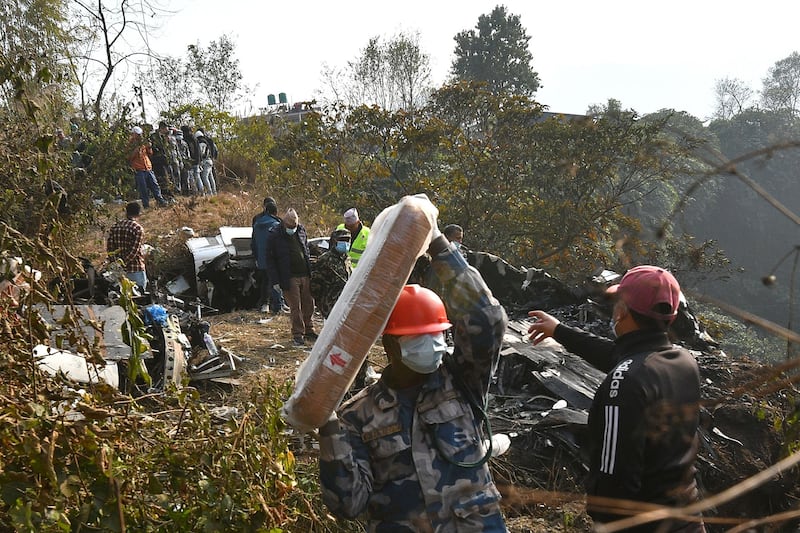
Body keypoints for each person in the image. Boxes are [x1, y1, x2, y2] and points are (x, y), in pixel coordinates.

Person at [318, 213, 509, 531]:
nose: (434, 345)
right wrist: (327, 429)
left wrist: (437, 245)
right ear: (390, 344)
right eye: (421, 338)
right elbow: (348, 505)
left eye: (438, 336)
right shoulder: (356, 416)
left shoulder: (462, 381)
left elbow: (487, 318)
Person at [527, 266, 705, 532]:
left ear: (621, 311)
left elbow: (613, 479)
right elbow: (621, 356)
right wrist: (560, 331)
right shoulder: (683, 362)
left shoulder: (624, 384)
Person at [265, 208, 316, 346]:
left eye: (294, 226)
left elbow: (305, 249)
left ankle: (309, 328)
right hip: (289, 276)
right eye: (289, 227)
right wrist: (275, 280)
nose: (292, 229)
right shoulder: (275, 235)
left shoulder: (301, 230)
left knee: (309, 304)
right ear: (284, 223)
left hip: (305, 274)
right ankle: (298, 333)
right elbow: (270, 259)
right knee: (295, 307)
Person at [309, 228, 352, 317]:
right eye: (342, 240)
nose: (345, 243)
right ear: (334, 241)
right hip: (330, 305)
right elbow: (315, 286)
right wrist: (322, 302)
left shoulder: (347, 259)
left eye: (347, 240)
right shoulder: (325, 259)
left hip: (345, 303)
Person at [106, 201, 148, 291]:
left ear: (126, 212)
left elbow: (110, 248)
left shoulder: (115, 226)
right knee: (140, 297)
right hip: (135, 269)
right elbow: (134, 251)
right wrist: (124, 263)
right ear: (139, 213)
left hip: (118, 272)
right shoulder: (137, 228)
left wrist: (116, 264)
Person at [251, 197, 282, 313]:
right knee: (275, 280)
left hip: (261, 257)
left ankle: (265, 304)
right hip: (273, 257)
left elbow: (253, 242)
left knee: (265, 280)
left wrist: (256, 256)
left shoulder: (257, 222)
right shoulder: (277, 224)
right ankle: (277, 305)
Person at [128, 126, 167, 208]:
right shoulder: (130, 145)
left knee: (155, 186)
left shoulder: (143, 144)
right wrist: (135, 151)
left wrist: (149, 147)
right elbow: (128, 157)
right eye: (138, 134)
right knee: (143, 189)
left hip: (148, 168)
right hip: (139, 170)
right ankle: (146, 205)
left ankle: (160, 201)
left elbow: (150, 154)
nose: (140, 136)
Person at [194, 129, 217, 195]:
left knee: (204, 177)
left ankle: (209, 192)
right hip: (210, 161)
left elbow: (201, 153)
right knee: (210, 177)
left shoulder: (201, 143)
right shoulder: (207, 142)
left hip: (206, 161)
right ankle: (214, 192)